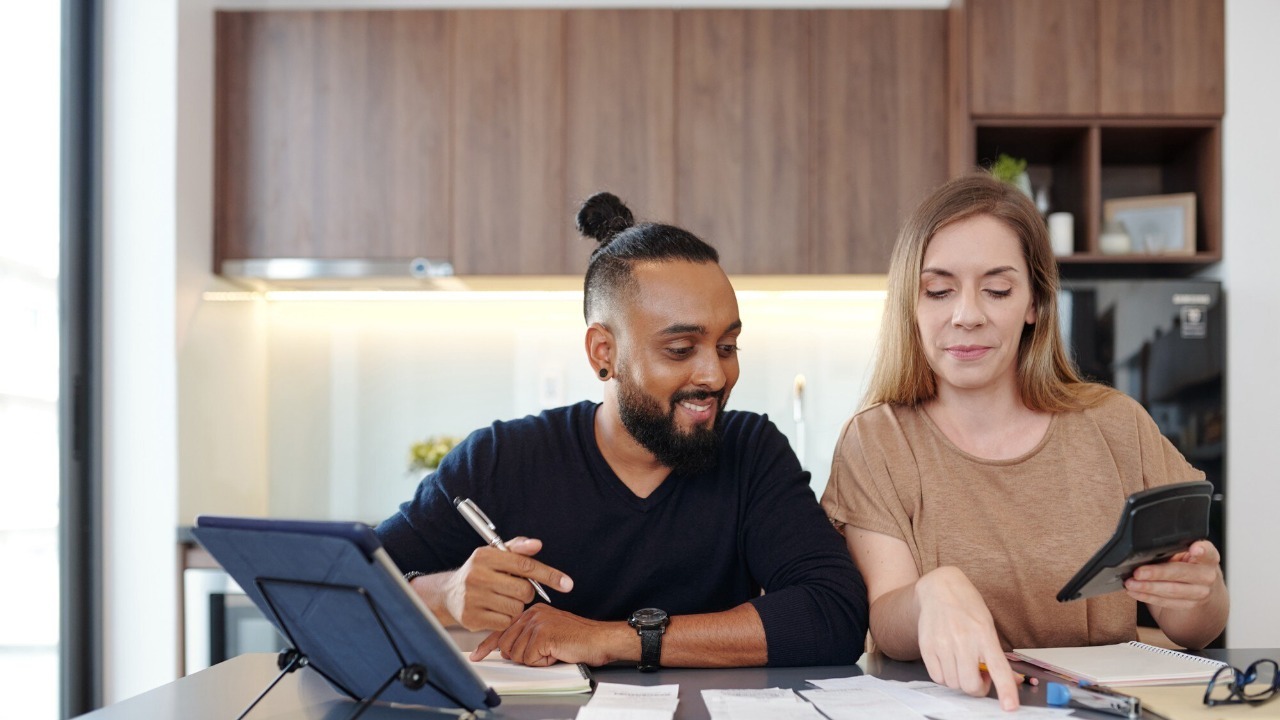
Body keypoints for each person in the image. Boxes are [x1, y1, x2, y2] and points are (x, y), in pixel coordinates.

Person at [377, 192, 869, 670]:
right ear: (603, 353)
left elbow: (833, 614)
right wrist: (446, 595)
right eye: (680, 349)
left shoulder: (751, 451)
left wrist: (608, 639)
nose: (716, 377)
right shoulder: (501, 458)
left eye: (726, 346)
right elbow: (332, 589)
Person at [820, 174, 1229, 710]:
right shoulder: (877, 440)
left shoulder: (1116, 424)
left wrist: (1201, 589)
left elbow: (1196, 631)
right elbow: (888, 627)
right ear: (910, 305)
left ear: (1035, 302)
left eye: (997, 289)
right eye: (938, 290)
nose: (967, 314)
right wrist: (929, 594)